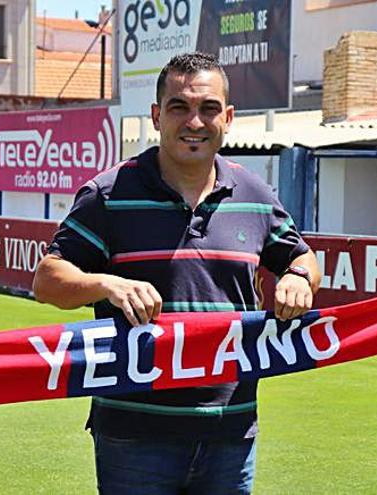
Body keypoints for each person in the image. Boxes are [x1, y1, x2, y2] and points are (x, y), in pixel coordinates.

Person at [33, 52, 320, 494]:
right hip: (134, 437)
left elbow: (301, 258)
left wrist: (299, 278)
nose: (194, 122)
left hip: (230, 431)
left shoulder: (256, 193)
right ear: (156, 116)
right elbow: (48, 279)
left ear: (228, 117)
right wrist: (106, 284)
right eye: (179, 107)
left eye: (208, 109)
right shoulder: (108, 194)